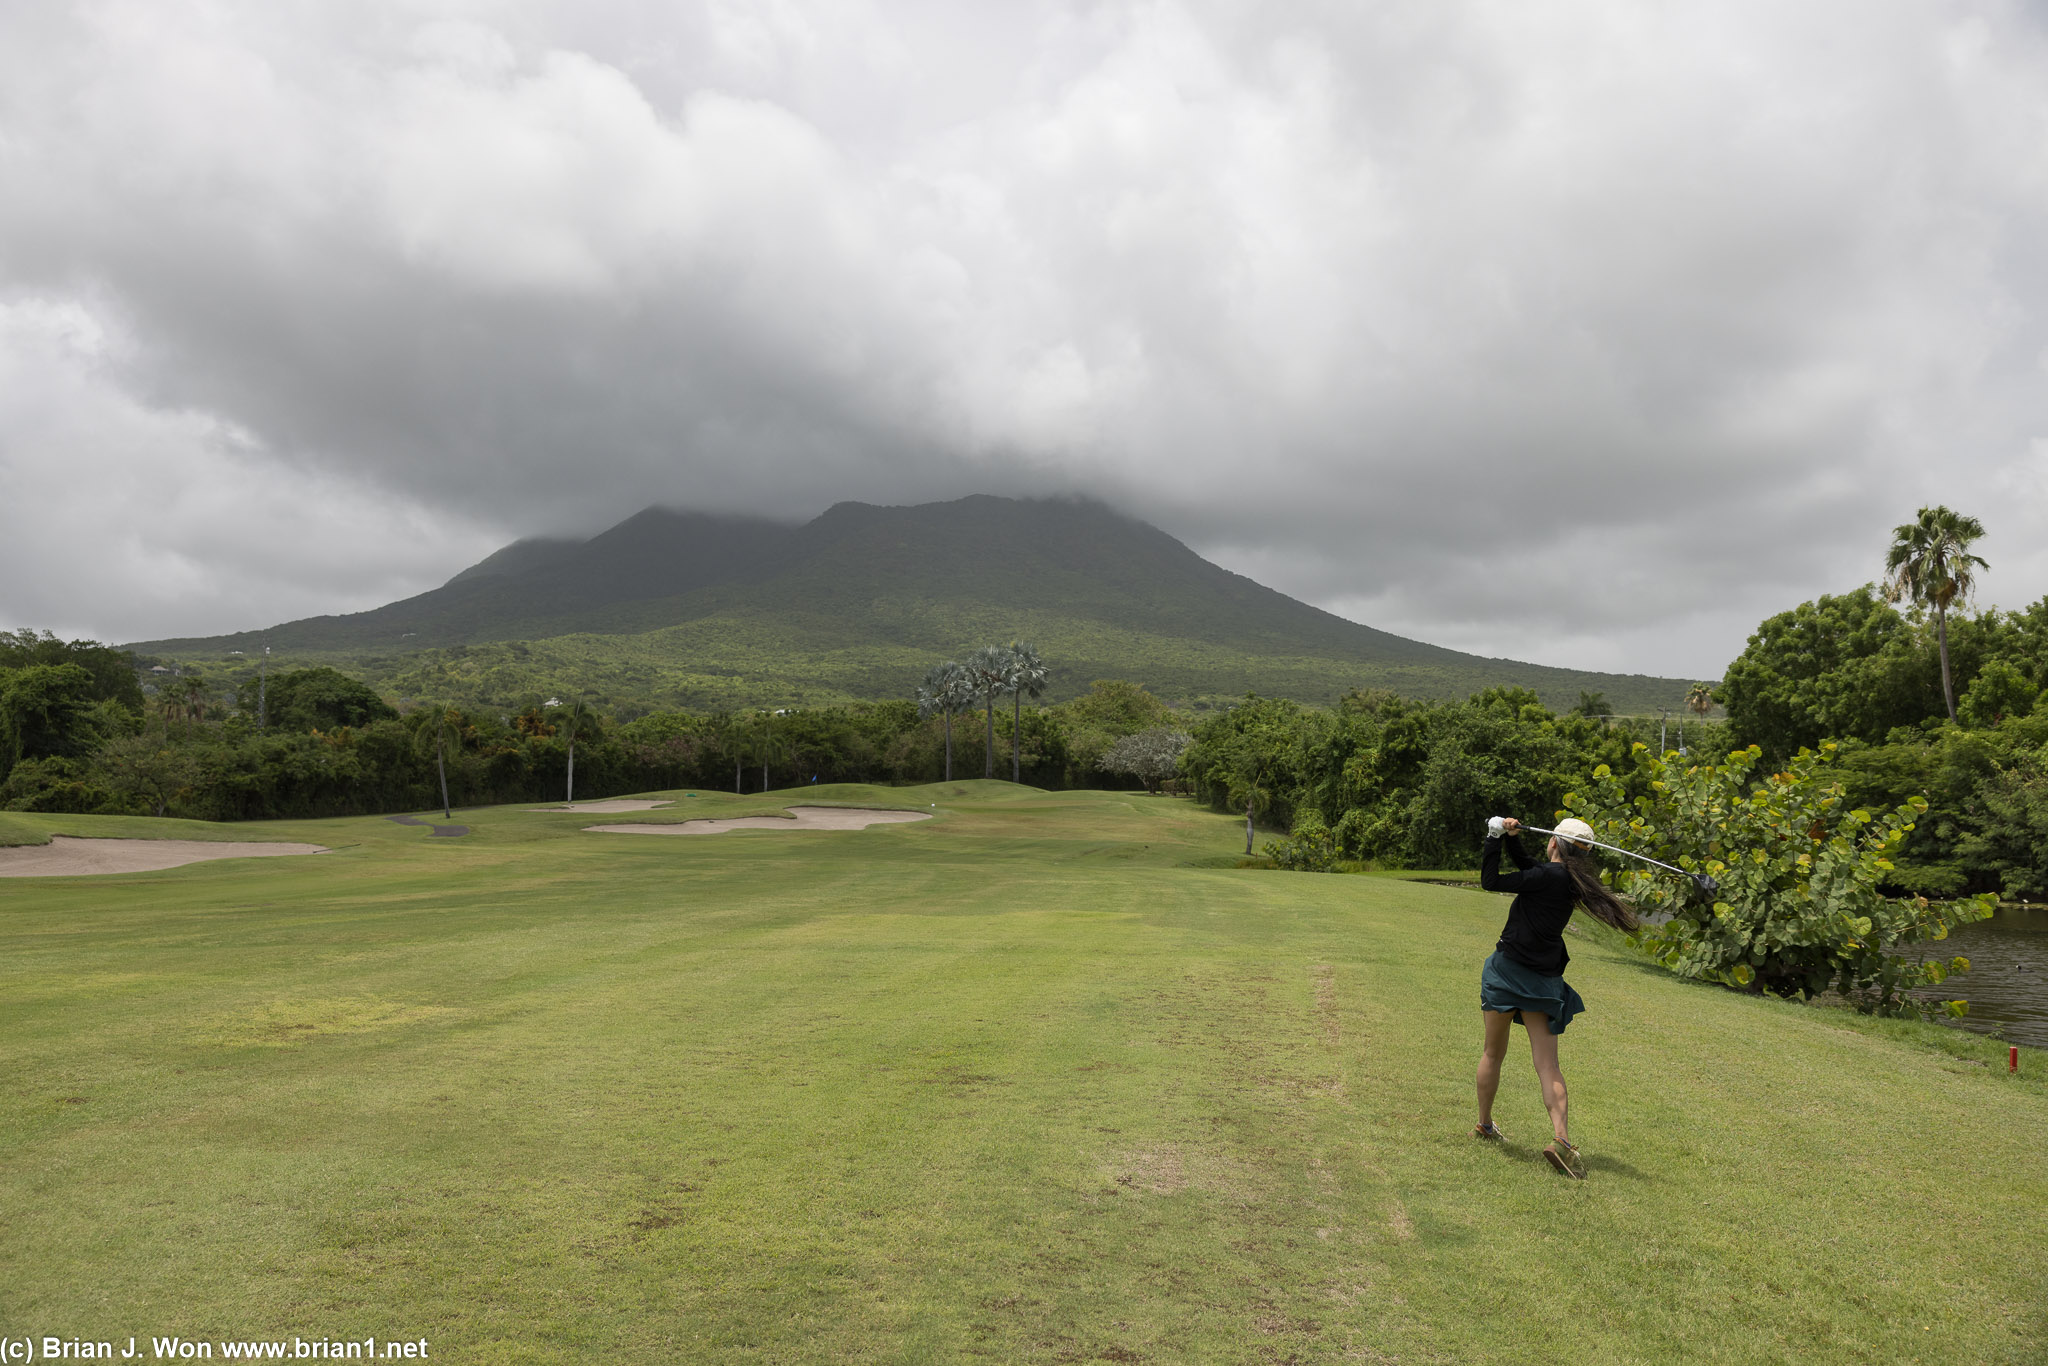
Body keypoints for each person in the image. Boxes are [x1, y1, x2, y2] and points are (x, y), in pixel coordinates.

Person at [1472, 815, 1639, 1179]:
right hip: (1542, 983)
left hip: (1504, 973)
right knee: (1547, 1065)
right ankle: (1561, 1139)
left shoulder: (1546, 877)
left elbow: (1490, 881)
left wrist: (1493, 836)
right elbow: (1533, 870)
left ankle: (1485, 1124)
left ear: (1552, 843)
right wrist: (1511, 839)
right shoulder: (1573, 883)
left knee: (1492, 1053)